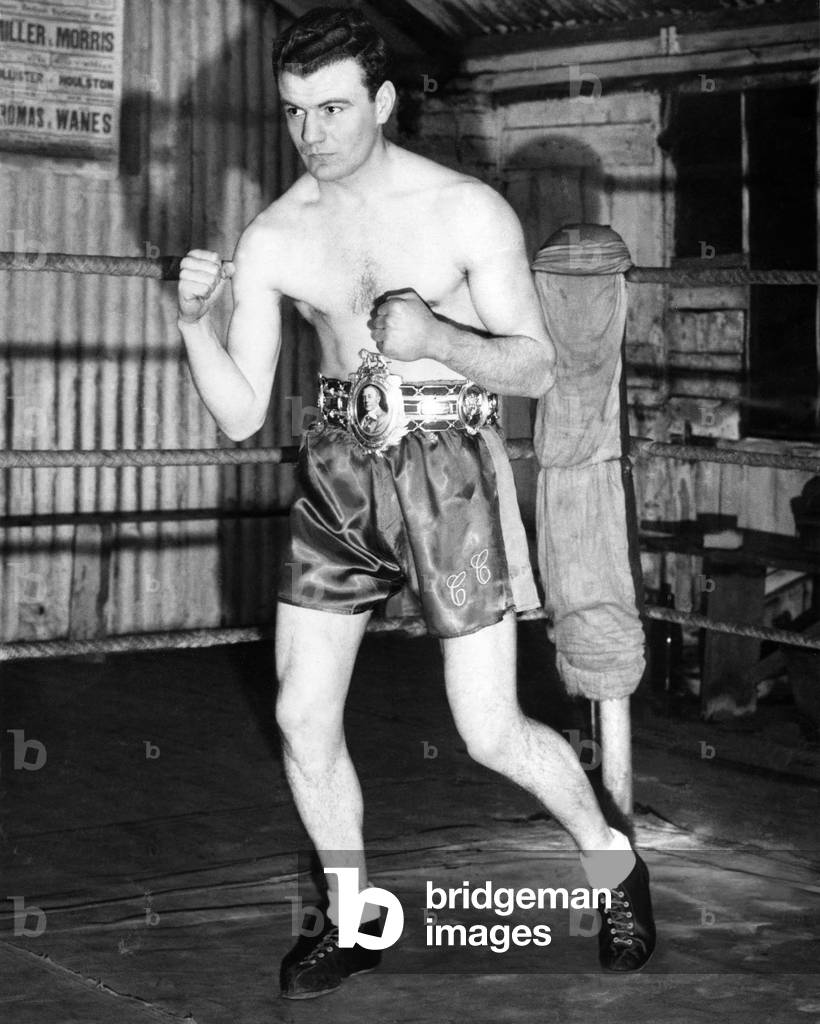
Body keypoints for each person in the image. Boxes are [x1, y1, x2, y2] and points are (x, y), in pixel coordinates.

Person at [177, 6, 656, 1001]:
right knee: (302, 714)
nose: (313, 134)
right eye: (296, 112)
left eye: (335, 108)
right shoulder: (274, 235)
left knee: (487, 729)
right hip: (337, 472)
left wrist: (435, 337)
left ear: (386, 100)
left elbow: (534, 366)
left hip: (450, 473)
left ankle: (613, 863)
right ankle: (351, 921)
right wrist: (191, 323)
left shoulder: (466, 211)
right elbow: (234, 415)